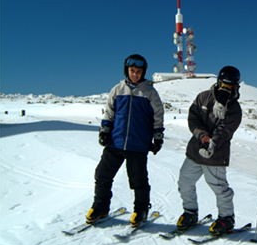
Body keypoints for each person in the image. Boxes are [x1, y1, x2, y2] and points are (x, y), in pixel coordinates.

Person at [87, 54, 165, 227]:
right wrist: (105, 131)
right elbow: (109, 113)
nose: (135, 74)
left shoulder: (149, 92)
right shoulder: (117, 89)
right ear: (126, 71)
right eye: (132, 71)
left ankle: (141, 210)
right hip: (115, 142)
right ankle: (100, 207)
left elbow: (158, 115)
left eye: (138, 71)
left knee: (138, 180)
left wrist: (157, 137)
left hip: (137, 144)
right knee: (102, 175)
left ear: (143, 72)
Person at [176, 66, 243, 235]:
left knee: (218, 186)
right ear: (218, 82)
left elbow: (226, 130)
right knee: (184, 181)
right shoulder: (203, 97)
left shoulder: (234, 107)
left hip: (216, 154)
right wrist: (202, 135)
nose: (225, 89)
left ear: (235, 86)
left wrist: (213, 142)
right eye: (223, 84)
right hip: (195, 150)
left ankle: (226, 218)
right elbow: (193, 118)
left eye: (229, 86)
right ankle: (190, 212)